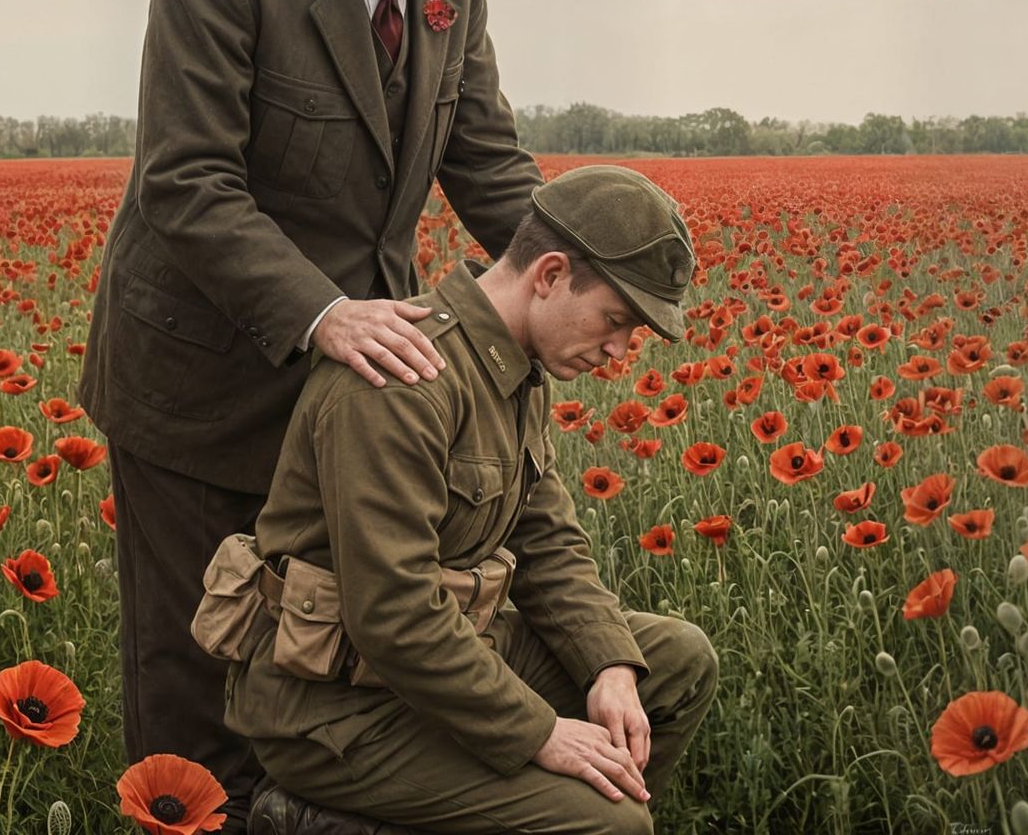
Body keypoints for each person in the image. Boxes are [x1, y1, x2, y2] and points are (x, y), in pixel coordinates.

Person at [76, 0, 545, 830]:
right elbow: (187, 181)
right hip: (205, 381)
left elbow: (481, 154)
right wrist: (321, 313)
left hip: (355, 386)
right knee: (197, 656)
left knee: (318, 648)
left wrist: (571, 267)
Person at [221, 166, 718, 835]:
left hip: (437, 668)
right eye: (616, 319)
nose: (619, 350)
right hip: (333, 709)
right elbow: (394, 614)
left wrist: (608, 665)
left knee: (674, 664)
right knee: (613, 826)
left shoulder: (518, 366)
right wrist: (541, 734)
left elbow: (547, 540)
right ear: (549, 275)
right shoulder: (403, 380)